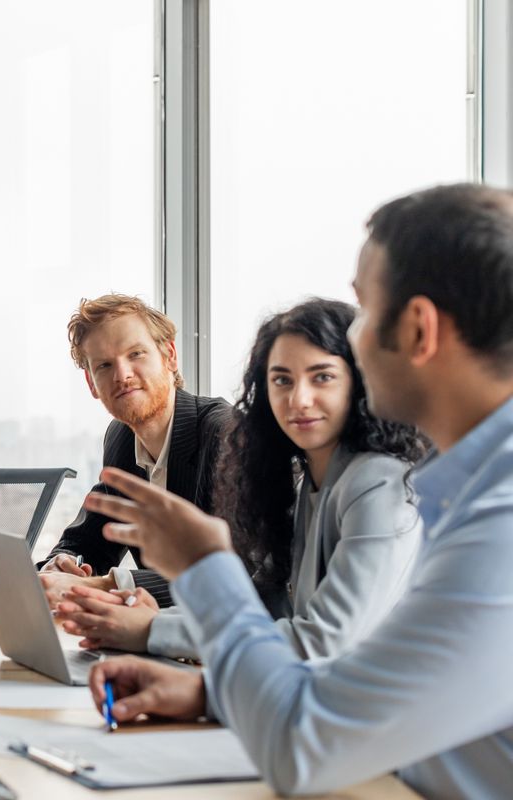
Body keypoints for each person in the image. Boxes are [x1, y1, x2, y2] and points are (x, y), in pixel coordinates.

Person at [86, 184, 513, 798]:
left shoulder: (493, 529)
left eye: (363, 311)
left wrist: (205, 566)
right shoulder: (463, 494)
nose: (352, 337)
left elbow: (304, 747)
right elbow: (365, 696)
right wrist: (210, 691)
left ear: (419, 330)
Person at [55, 299, 425, 658]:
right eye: (281, 380)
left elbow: (315, 636)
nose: (299, 399)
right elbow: (267, 605)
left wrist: (151, 628)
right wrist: (144, 618)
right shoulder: (314, 480)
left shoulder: (375, 483)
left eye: (322, 377)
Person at [38, 295, 230, 608]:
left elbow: (236, 574)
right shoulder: (121, 439)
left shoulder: (224, 435)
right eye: (104, 365)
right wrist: (62, 564)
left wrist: (109, 584)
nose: (122, 375)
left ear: (169, 356)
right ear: (91, 383)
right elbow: (91, 538)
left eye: (135, 354)